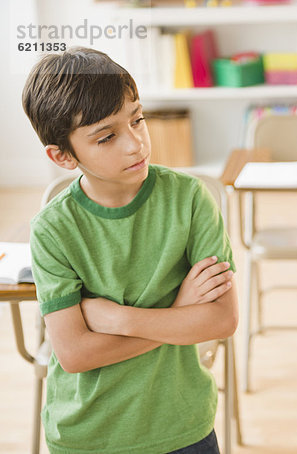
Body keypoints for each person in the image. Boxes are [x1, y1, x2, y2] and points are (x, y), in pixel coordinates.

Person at [22, 47, 238, 454]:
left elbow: (221, 320)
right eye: (107, 136)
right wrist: (177, 316)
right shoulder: (53, 229)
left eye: (138, 119)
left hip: (183, 426)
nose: (135, 143)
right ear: (62, 156)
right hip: (87, 434)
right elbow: (75, 353)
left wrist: (117, 318)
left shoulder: (190, 198)